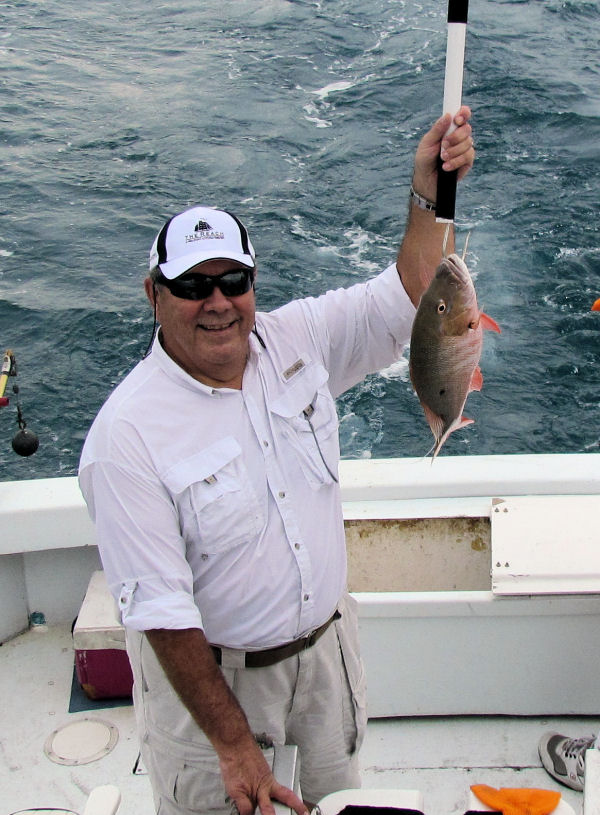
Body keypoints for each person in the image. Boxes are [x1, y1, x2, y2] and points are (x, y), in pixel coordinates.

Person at [78, 107, 474, 815]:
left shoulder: (300, 340)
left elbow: (412, 289)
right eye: (195, 286)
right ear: (154, 294)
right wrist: (234, 744)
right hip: (215, 698)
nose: (219, 303)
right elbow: (164, 613)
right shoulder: (126, 437)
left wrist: (427, 192)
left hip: (327, 664)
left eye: (235, 280)